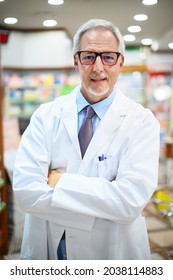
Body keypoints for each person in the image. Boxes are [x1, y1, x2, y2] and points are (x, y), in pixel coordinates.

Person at [13, 18, 160, 260]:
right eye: (89, 56)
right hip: (52, 249)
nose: (98, 68)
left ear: (121, 62)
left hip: (111, 253)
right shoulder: (46, 116)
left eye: (108, 57)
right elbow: (26, 192)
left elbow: (129, 202)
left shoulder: (142, 122)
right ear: (76, 61)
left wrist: (58, 181)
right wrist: (104, 200)